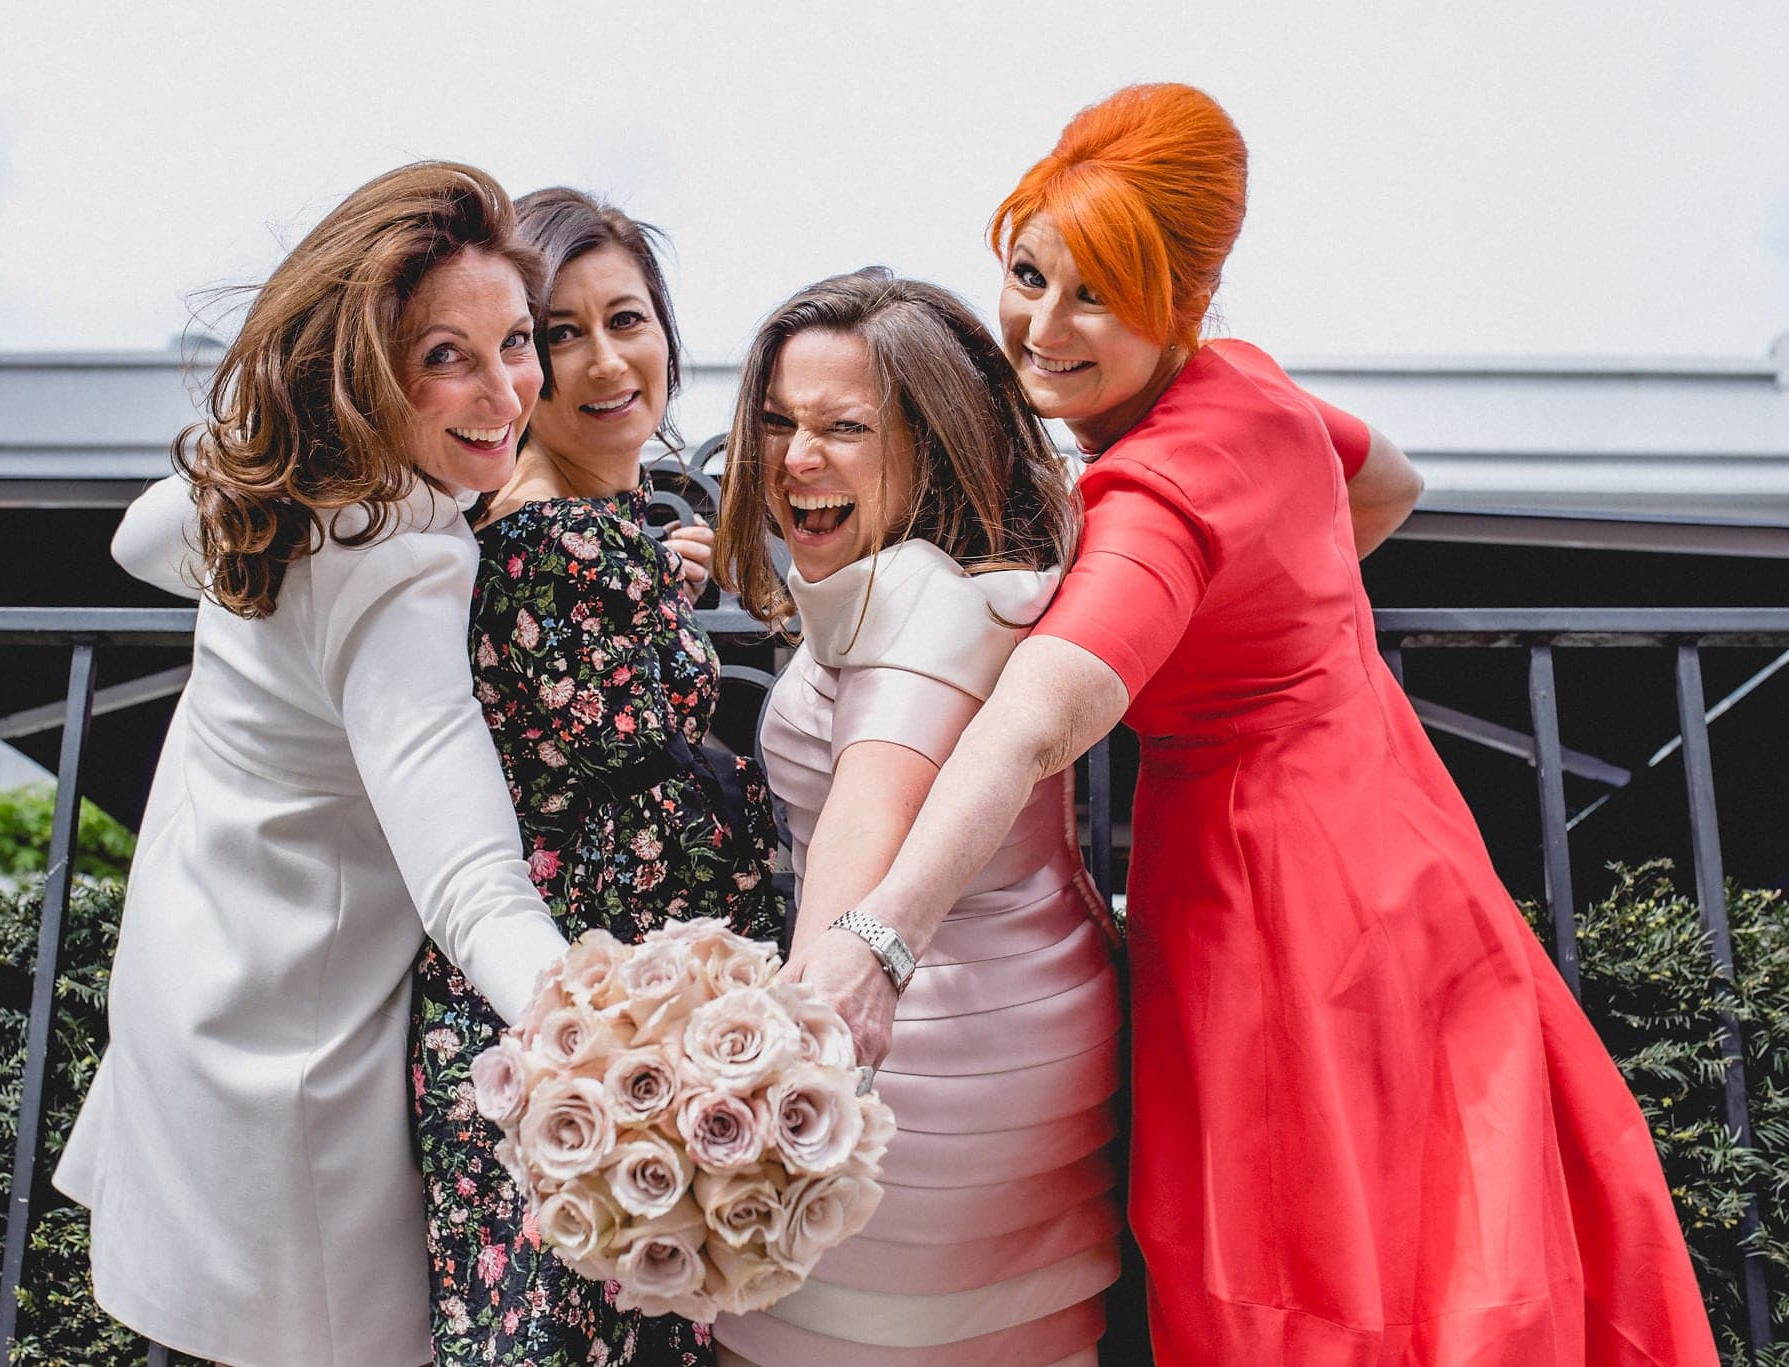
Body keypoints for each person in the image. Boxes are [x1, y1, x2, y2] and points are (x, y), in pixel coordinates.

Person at [814, 85, 1717, 1363]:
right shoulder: (1252, 388)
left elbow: (1025, 731)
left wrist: (874, 945)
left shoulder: (1155, 503)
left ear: (1178, 306)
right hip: (1407, 850)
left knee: (1302, 1259)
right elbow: (1388, 478)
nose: (1043, 325)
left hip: (1274, 911)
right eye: (1029, 273)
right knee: (1453, 1224)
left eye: (1098, 296)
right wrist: (1280, 636)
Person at [53, 162, 572, 1367]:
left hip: (189, 1005)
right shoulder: (397, 557)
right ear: (361, 363)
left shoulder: (270, 498)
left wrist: (281, 469)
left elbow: (138, 537)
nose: (506, 392)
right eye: (447, 356)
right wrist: (621, 1034)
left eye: (514, 342)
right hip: (289, 1074)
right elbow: (472, 884)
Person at [711, 269, 1124, 1367]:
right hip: (1026, 1026)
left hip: (925, 1075)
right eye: (776, 422)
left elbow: (850, 878)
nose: (796, 458)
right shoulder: (983, 579)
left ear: (936, 444)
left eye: (843, 427)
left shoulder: (910, 606)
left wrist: (738, 1097)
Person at [406, 187, 780, 1365]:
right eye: (557, 333)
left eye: (626, 319)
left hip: (610, 1020)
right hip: (566, 1021)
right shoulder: (542, 541)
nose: (604, 359)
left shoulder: (599, 527)